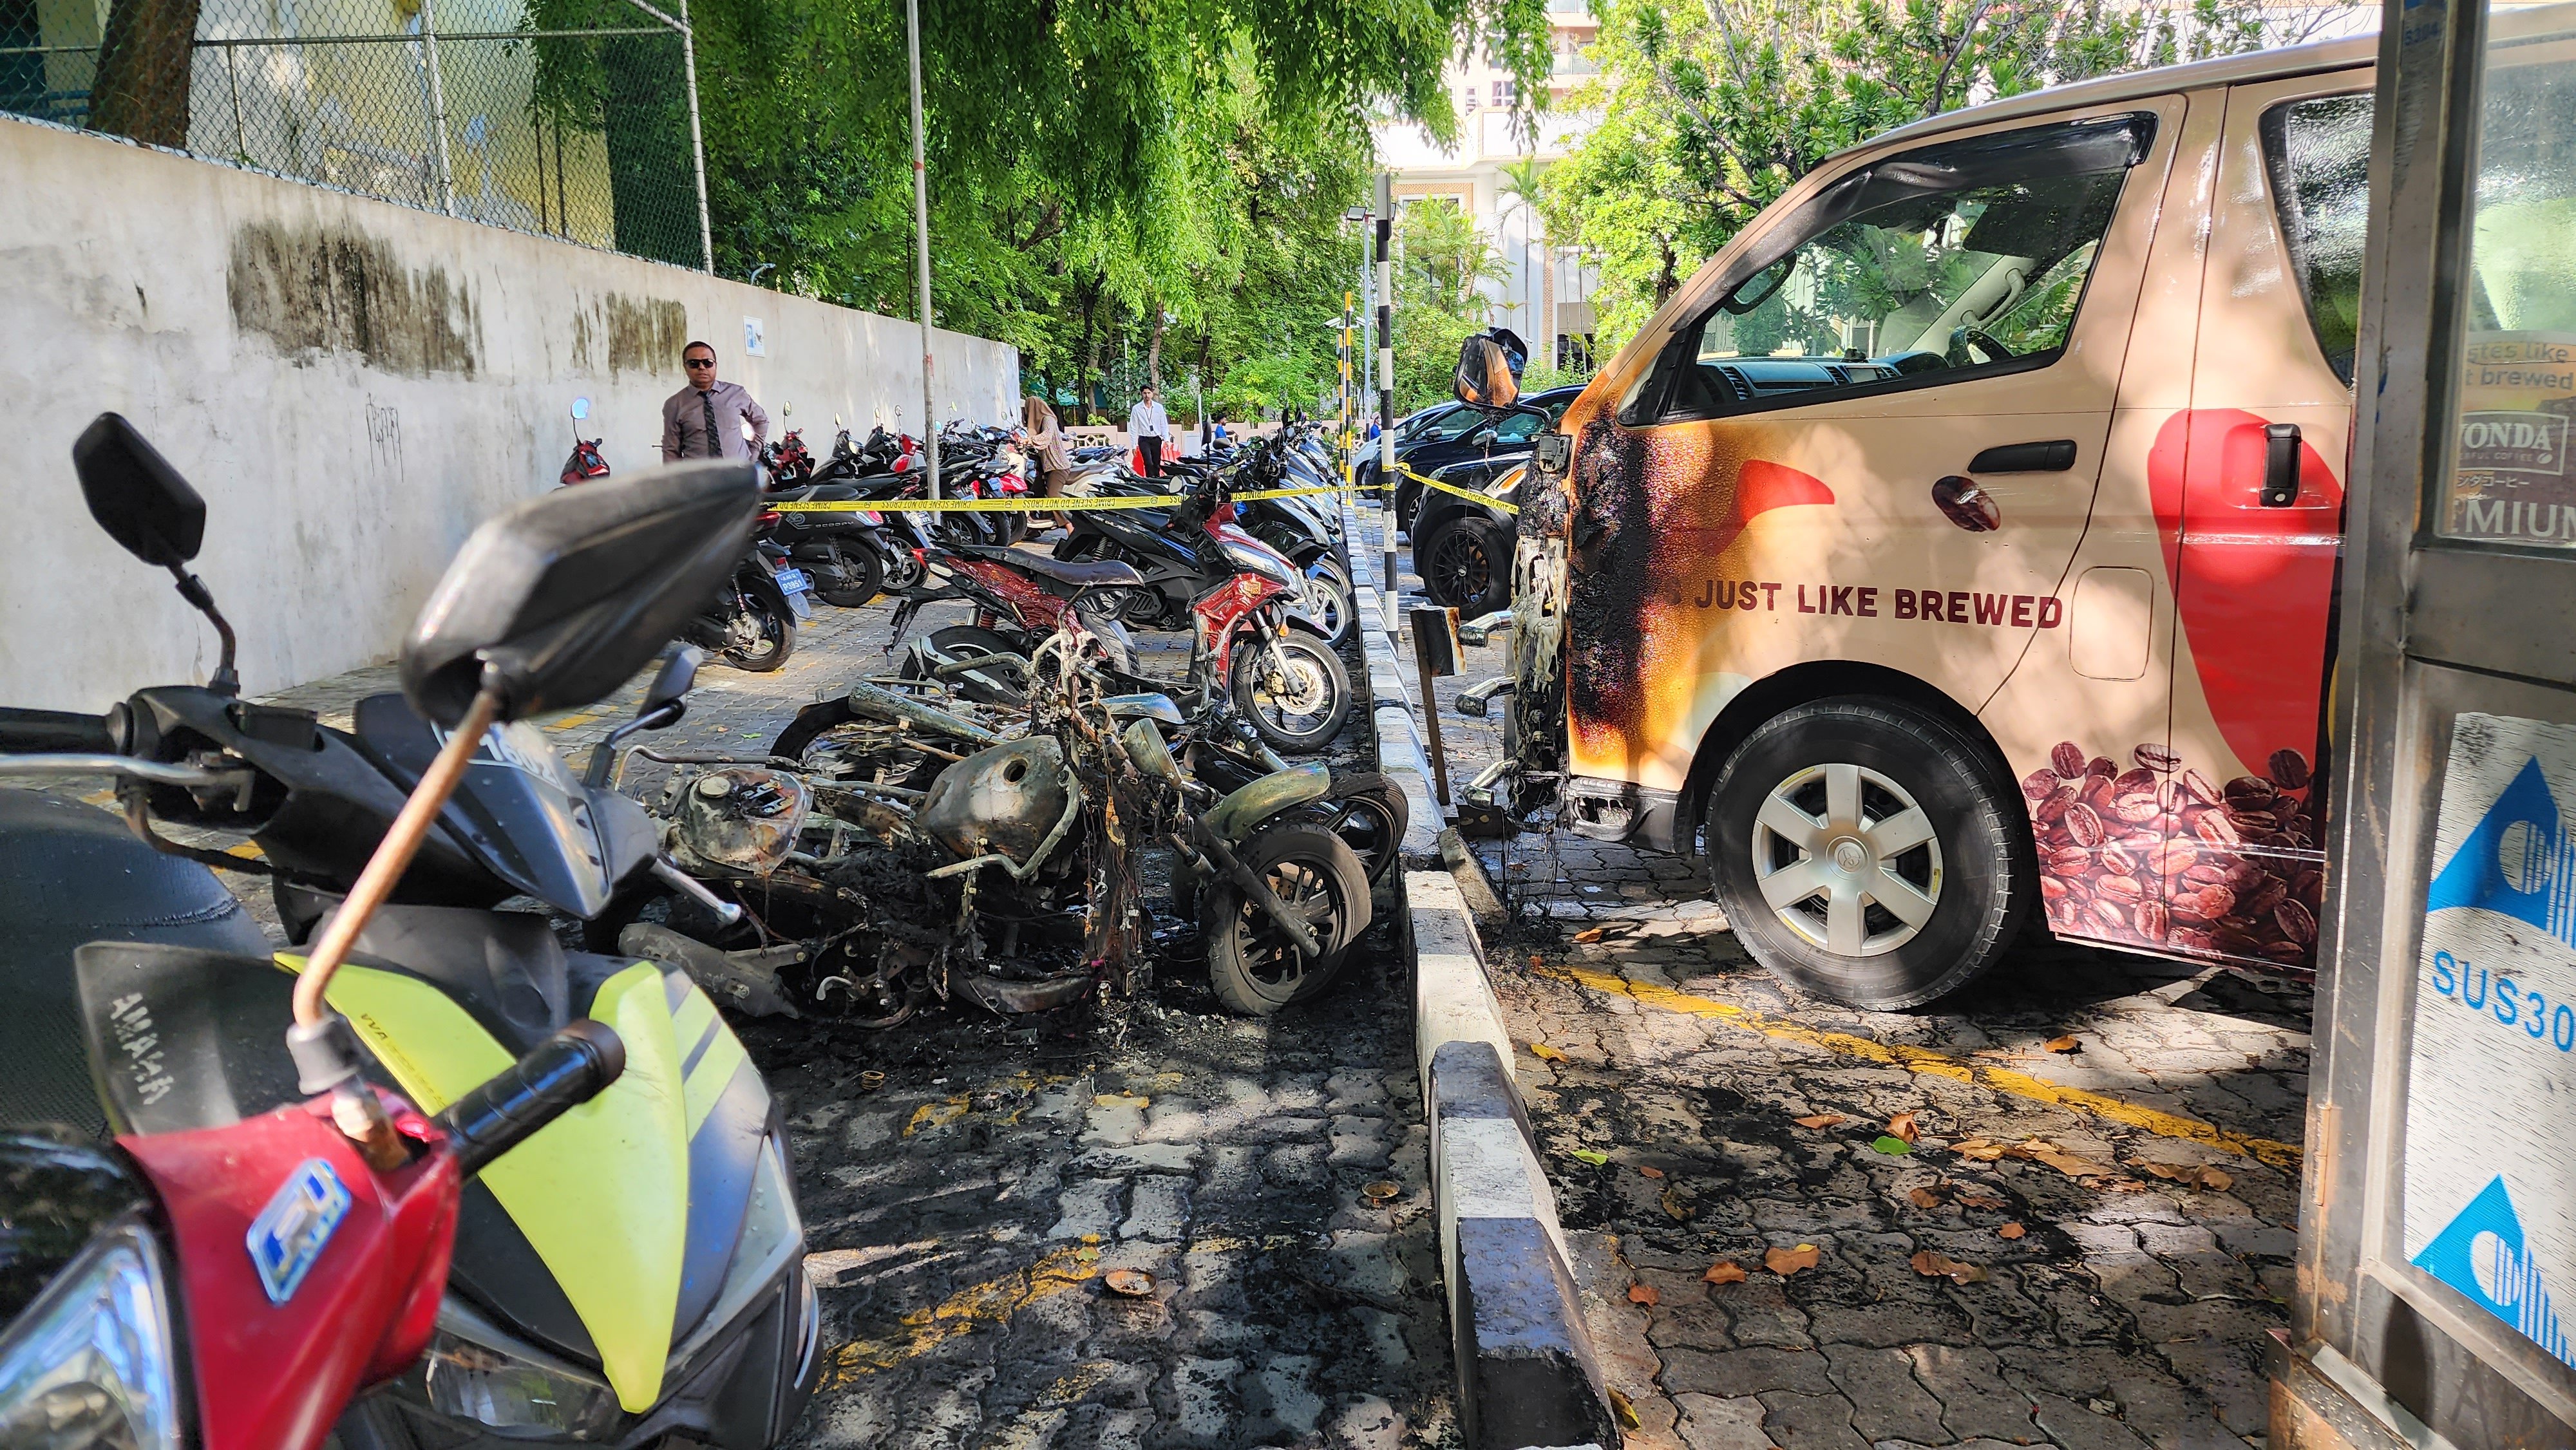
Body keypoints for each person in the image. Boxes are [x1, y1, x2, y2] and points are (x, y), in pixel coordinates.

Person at [661, 341, 769, 464]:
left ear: (715, 365)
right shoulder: (675, 404)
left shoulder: (736, 393)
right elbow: (671, 450)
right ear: (685, 367)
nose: (701, 367)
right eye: (694, 363)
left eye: (707, 363)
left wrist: (752, 455)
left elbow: (761, 421)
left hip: (738, 471)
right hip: (700, 474)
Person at [1019, 393, 1074, 531]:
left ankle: (1069, 526)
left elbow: (1046, 436)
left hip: (1058, 466)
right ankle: (1035, 529)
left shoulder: (1048, 419)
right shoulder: (1041, 422)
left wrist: (1029, 440)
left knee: (1053, 497)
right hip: (1046, 468)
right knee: (1035, 493)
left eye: (1027, 409)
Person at [1129, 385, 1171, 479]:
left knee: (1156, 462)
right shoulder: (1136, 409)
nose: (1147, 395)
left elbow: (1164, 424)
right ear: (1142, 394)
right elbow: (1133, 428)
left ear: (1152, 394)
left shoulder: (1159, 407)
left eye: (1149, 393)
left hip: (1156, 438)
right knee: (1148, 462)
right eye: (1145, 393)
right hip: (1144, 439)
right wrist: (1133, 446)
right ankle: (1150, 479)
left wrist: (1167, 439)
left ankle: (1157, 480)